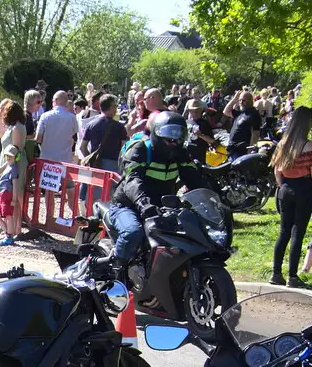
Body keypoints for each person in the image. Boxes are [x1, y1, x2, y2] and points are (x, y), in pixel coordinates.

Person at [102, 110, 215, 267]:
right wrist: (143, 203)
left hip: (162, 208)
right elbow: (133, 180)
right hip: (128, 206)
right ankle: (115, 269)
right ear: (156, 131)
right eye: (168, 133)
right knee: (133, 232)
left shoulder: (181, 154)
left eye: (178, 134)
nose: (173, 140)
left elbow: (194, 179)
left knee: (190, 234)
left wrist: (212, 201)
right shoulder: (141, 150)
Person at [269, 106, 312, 286]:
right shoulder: (309, 146)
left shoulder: (282, 144)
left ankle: (276, 274)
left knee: (284, 232)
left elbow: (277, 172)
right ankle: (293, 276)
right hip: (303, 189)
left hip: (285, 188)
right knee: (297, 233)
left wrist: (283, 187)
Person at [35, 89, 80, 227]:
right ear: (66, 102)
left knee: (49, 192)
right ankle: (77, 220)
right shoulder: (72, 117)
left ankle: (50, 219)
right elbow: (75, 135)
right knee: (70, 191)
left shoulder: (45, 116)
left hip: (48, 160)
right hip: (65, 161)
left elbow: (38, 138)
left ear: (54, 101)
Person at [0, 99, 27, 245]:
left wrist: (4, 168)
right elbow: (3, 140)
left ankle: (17, 229)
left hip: (14, 165)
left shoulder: (18, 128)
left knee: (16, 197)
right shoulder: (12, 127)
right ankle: (10, 229)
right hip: (7, 162)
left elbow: (15, 151)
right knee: (8, 196)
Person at [78, 93, 127, 173]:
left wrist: (90, 158)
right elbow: (124, 149)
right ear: (112, 107)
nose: (116, 109)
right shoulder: (119, 127)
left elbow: (82, 147)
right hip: (112, 167)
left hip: (94, 166)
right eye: (116, 106)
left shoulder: (90, 125)